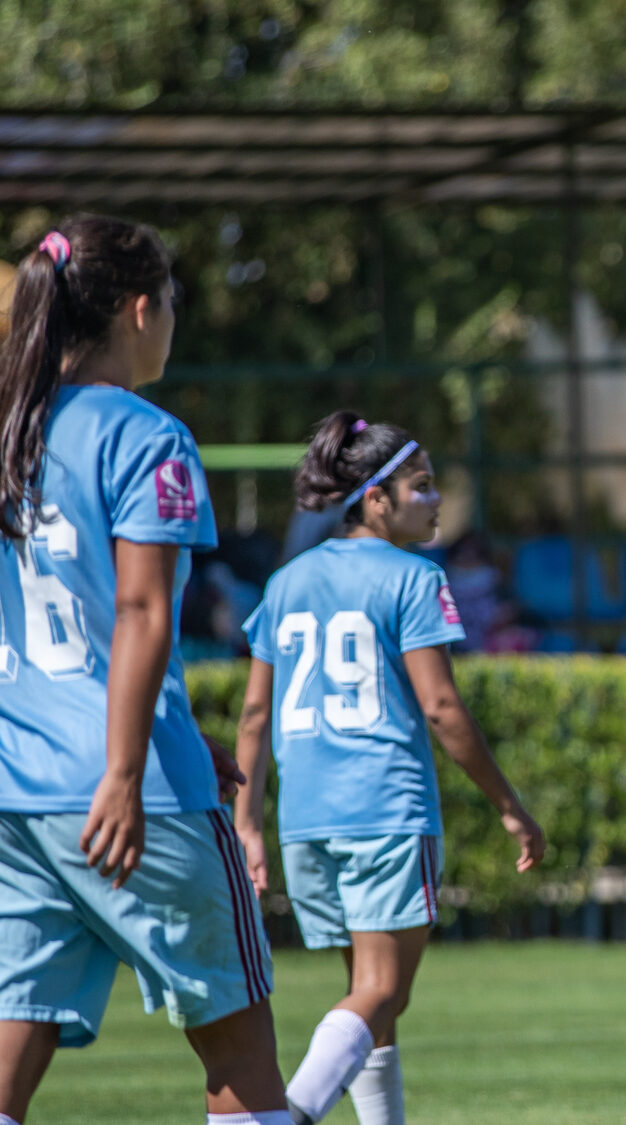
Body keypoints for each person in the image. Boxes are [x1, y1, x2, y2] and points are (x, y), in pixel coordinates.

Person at [0, 215, 290, 1125]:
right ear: (136, 309)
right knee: (243, 1066)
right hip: (131, 797)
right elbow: (138, 610)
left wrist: (172, 731)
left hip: (19, 795)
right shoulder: (148, 435)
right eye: (169, 302)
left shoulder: (13, 431)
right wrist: (128, 767)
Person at [233, 412, 546, 1125]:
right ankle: (286, 1114)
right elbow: (441, 707)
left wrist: (249, 821)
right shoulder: (412, 576)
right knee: (381, 991)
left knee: (372, 999)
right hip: (385, 808)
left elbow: (254, 716)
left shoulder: (286, 581)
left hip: (307, 819)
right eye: (422, 486)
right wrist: (509, 804)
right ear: (375, 498)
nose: (435, 500)